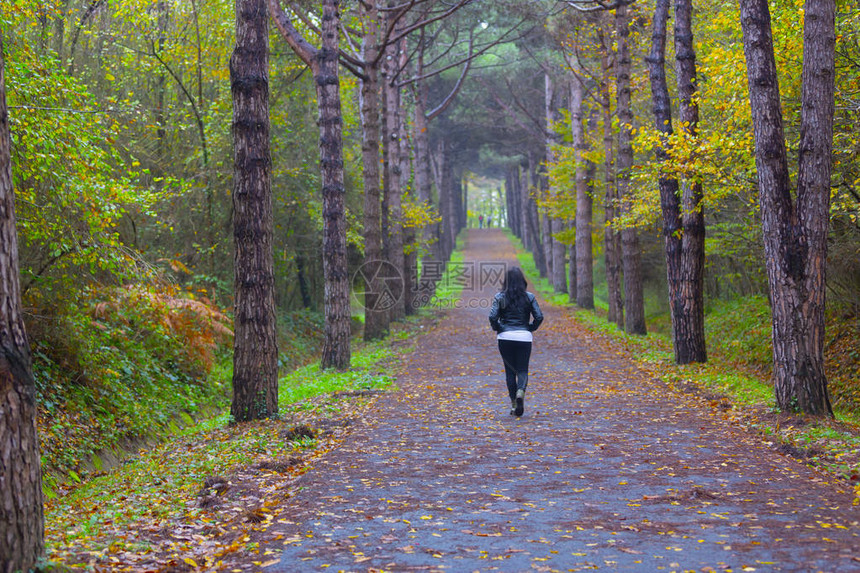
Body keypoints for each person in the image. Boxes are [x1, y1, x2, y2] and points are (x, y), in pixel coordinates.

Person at [488, 267, 543, 417]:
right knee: (523, 369)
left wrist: (498, 328)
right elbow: (539, 316)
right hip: (524, 337)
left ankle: (514, 403)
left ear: (506, 281)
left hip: (505, 338)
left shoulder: (499, 297)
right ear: (522, 281)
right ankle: (521, 392)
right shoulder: (529, 297)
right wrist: (530, 328)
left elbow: (492, 317)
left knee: (510, 371)